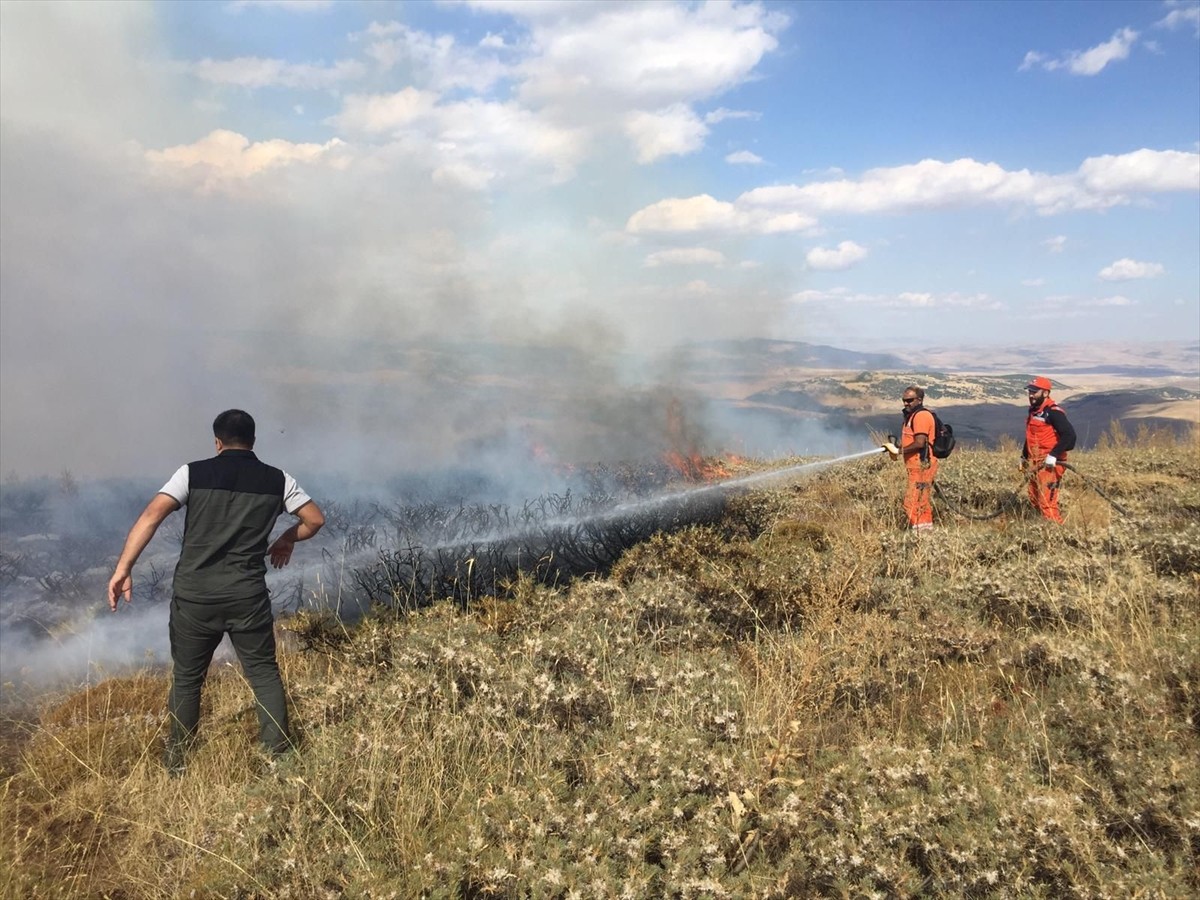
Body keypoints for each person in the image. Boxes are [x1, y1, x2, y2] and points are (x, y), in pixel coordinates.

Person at [107, 409, 324, 774]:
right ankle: (279, 758)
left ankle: (178, 761)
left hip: (195, 597)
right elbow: (315, 519)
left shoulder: (191, 472)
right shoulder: (278, 480)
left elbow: (151, 515)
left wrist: (123, 568)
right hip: (247, 596)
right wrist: (287, 538)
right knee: (263, 672)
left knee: (188, 678)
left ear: (217, 442)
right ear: (254, 441)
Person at [1022, 376, 1076, 523]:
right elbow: (1031, 436)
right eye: (1030, 391)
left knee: (1047, 502)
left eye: (1035, 391)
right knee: (1034, 497)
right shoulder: (1034, 411)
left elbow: (1070, 437)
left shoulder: (1054, 412)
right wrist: (1024, 456)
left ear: (1045, 393)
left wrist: (1053, 455)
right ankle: (1040, 528)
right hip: (1035, 462)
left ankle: (1056, 533)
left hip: (1050, 464)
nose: (1031, 395)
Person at [887, 385, 938, 530]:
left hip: (922, 466)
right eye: (904, 400)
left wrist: (898, 451)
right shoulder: (911, 416)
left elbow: (919, 443)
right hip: (916, 467)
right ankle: (924, 531)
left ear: (920, 400)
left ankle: (921, 534)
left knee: (914, 502)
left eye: (909, 400)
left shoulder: (921, 416)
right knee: (920, 500)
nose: (906, 403)